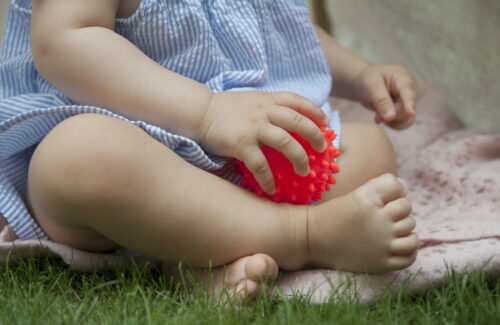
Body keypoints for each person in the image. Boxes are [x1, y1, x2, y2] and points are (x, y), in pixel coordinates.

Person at [0, 0, 418, 299]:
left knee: (371, 149)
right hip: (136, 165)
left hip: (254, 163)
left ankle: (198, 264)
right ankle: (304, 234)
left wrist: (360, 74)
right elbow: (66, 42)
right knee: (78, 157)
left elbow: (287, 28)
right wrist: (209, 113)